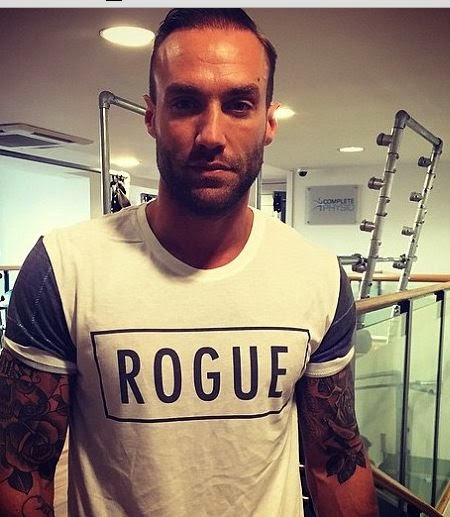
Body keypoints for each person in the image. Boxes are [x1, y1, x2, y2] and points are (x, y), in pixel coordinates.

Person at [0, 8, 379, 517]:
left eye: (239, 104)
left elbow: (336, 462)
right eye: (185, 103)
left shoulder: (317, 276)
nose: (211, 135)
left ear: (269, 121)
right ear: (152, 115)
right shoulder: (63, 267)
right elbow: (21, 468)